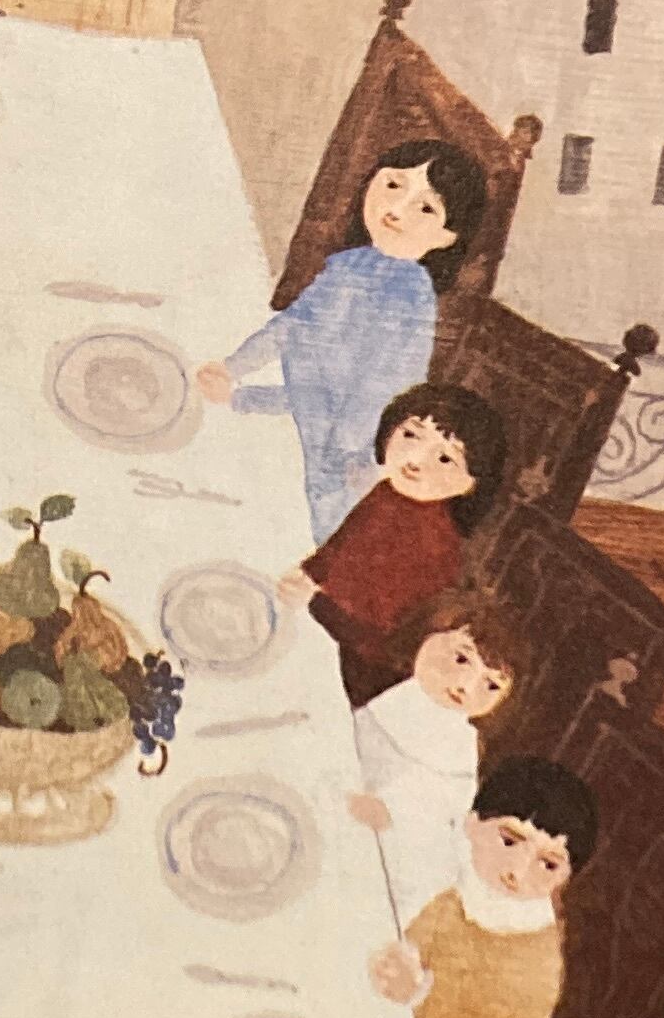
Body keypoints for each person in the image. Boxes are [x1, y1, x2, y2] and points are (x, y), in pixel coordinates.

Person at [197, 138, 488, 542]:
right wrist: (233, 370)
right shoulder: (349, 266)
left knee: (313, 535)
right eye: (393, 185)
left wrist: (354, 462)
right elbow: (291, 328)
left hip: (347, 459)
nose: (397, 209)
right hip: (303, 426)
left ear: (447, 237)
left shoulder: (410, 297)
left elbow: (382, 396)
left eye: (425, 208)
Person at [368, 756, 599, 1018]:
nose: (517, 871)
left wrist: (416, 995)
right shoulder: (458, 891)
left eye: (547, 865)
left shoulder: (533, 960)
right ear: (472, 824)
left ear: (566, 877)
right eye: (509, 841)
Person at [281, 380, 508, 703]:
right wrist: (309, 574)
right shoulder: (388, 493)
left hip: (360, 665)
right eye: (411, 435)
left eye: (445, 459)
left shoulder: (437, 545)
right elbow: (341, 545)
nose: (415, 460)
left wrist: (318, 606)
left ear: (471, 484)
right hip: (322, 623)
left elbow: (390, 637)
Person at [345, 593, 523, 930]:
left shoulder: (458, 749)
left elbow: (439, 824)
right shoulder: (400, 695)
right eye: (461, 659)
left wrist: (390, 814)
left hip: (391, 857)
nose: (465, 686)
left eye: (490, 685)